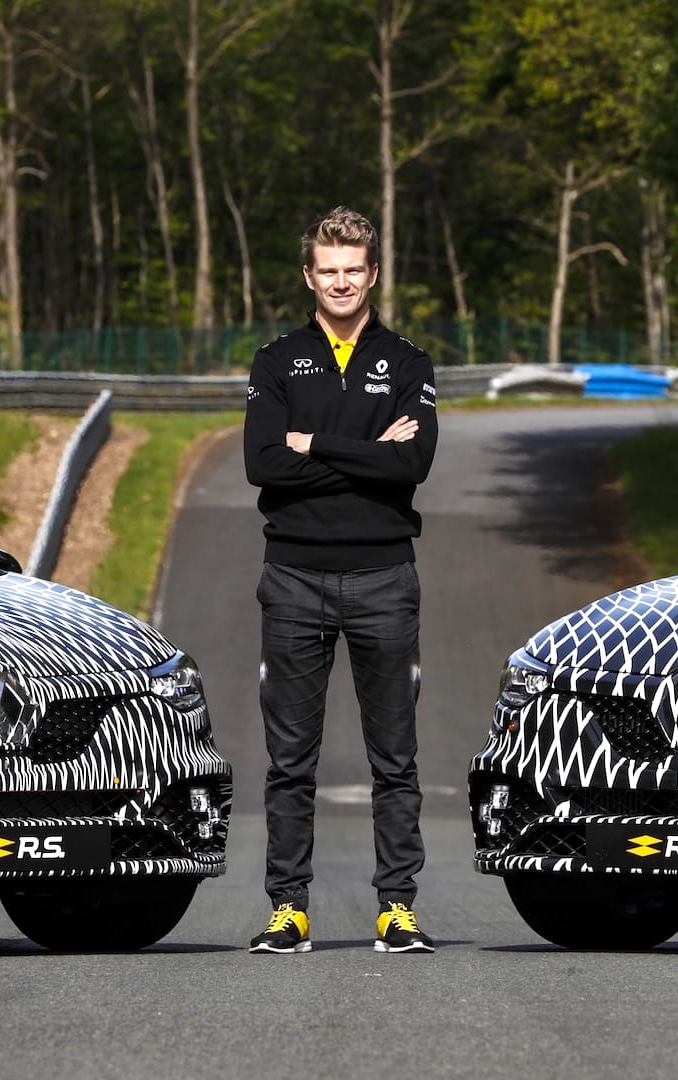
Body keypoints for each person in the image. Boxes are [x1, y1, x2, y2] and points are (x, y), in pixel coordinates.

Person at [242, 206, 438, 954]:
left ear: (374, 274)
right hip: (292, 577)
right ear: (309, 277)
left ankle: (399, 908)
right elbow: (264, 465)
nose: (341, 282)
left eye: (353, 269)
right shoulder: (276, 360)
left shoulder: (410, 361)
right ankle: (288, 911)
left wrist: (312, 444)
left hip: (386, 577)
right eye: (328, 270)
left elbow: (411, 466)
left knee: (396, 758)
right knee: (291, 760)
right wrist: (363, 449)